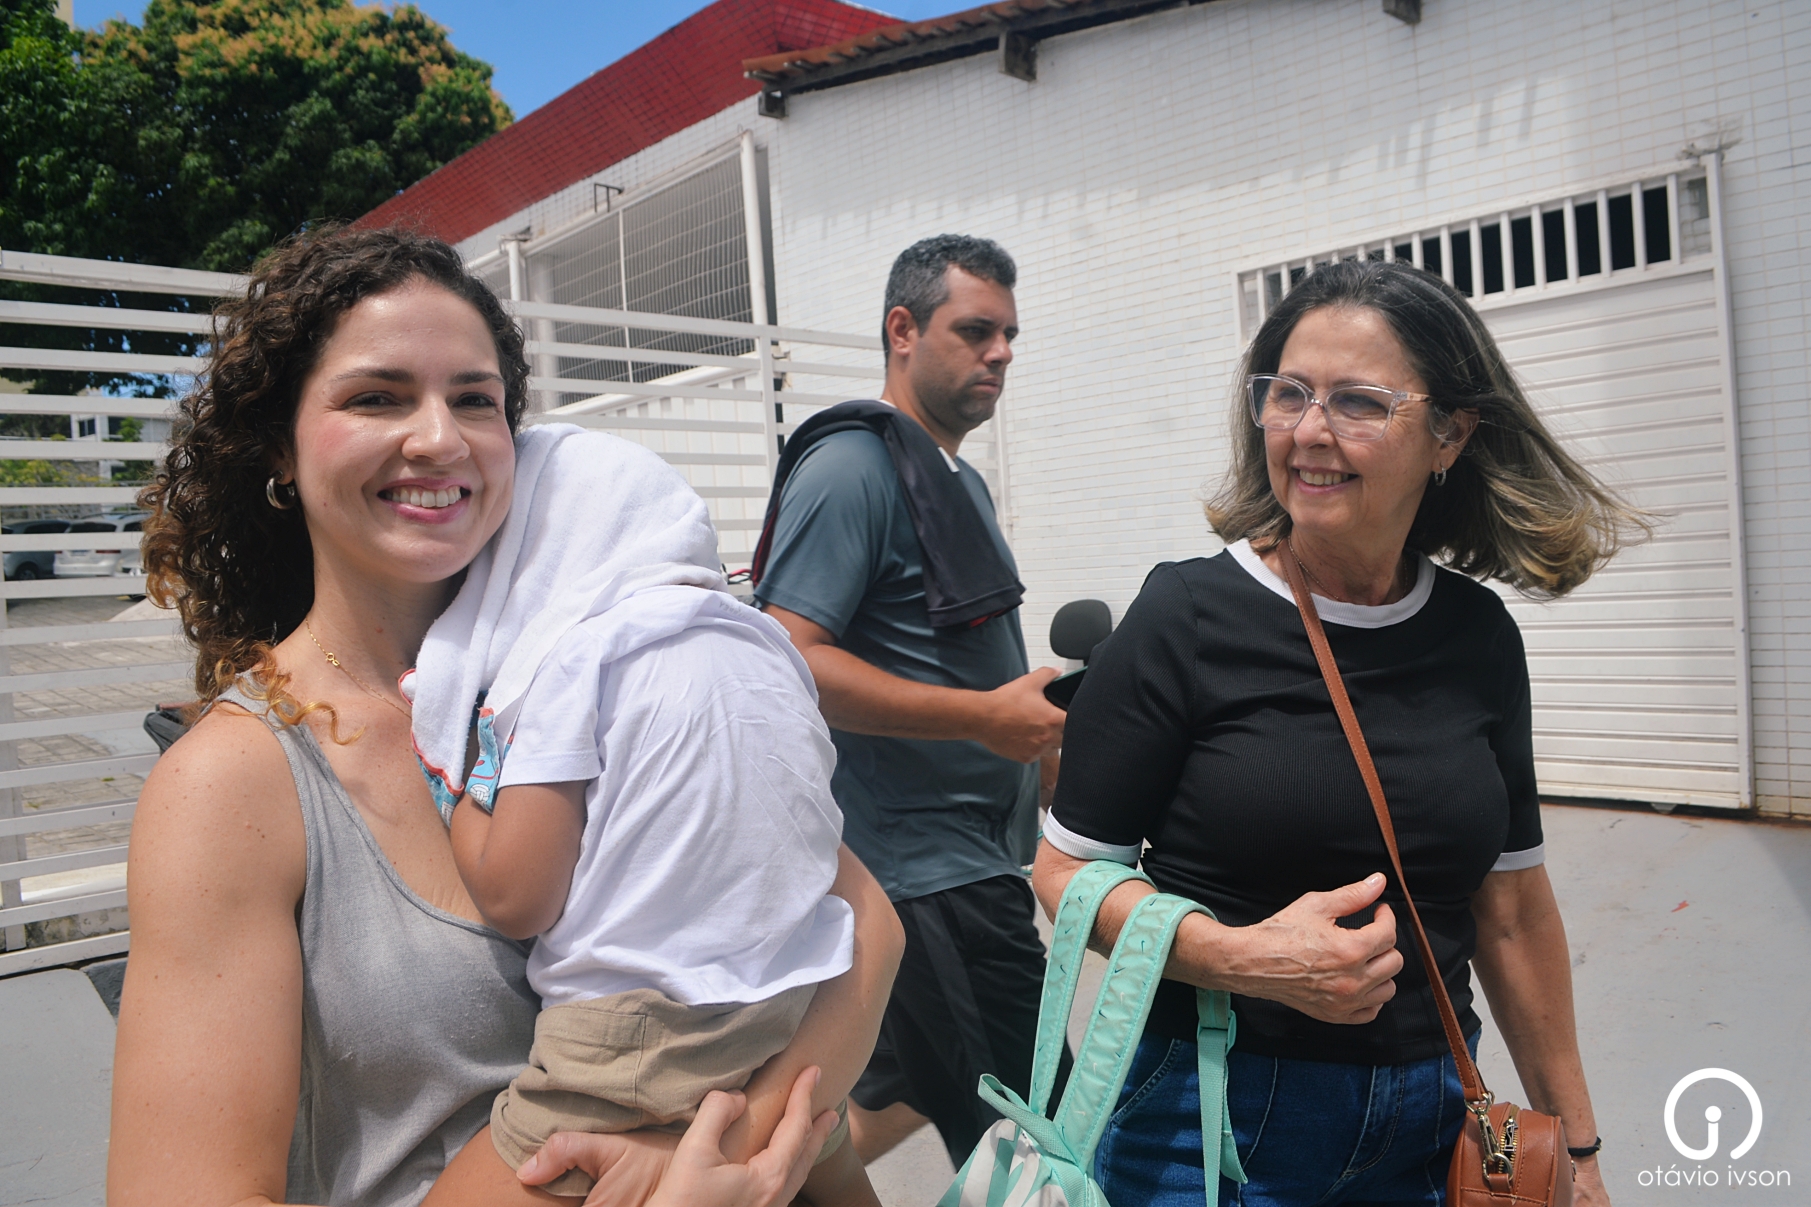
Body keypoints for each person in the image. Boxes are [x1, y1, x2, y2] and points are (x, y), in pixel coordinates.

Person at [110, 227, 903, 1207]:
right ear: (281, 442)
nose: (438, 437)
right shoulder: (231, 783)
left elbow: (863, 926)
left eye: (474, 400)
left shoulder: (594, 668)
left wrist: (711, 1156)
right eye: (377, 396)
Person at [1034, 259, 1632, 1206]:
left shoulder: (1476, 636)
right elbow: (1066, 872)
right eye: (1289, 393)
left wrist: (1581, 1148)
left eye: (1358, 402)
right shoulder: (1185, 615)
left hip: (1433, 1115)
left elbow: (1511, 909)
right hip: (1206, 1120)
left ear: (1449, 434)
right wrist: (1239, 958)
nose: (1310, 430)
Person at [406, 422, 875, 1205]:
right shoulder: (766, 650)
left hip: (632, 1044)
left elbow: (517, 895)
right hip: (787, 1011)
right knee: (824, 1163)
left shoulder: (580, 658)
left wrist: (453, 794)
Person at [753, 234, 1069, 1165]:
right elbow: (789, 656)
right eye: (974, 331)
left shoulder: (954, 479)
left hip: (970, 860)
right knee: (1046, 1138)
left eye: (1009, 335)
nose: (999, 352)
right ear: (902, 330)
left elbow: (958, 661)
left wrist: (1042, 757)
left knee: (881, 1104)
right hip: (929, 880)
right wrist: (985, 720)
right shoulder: (853, 467)